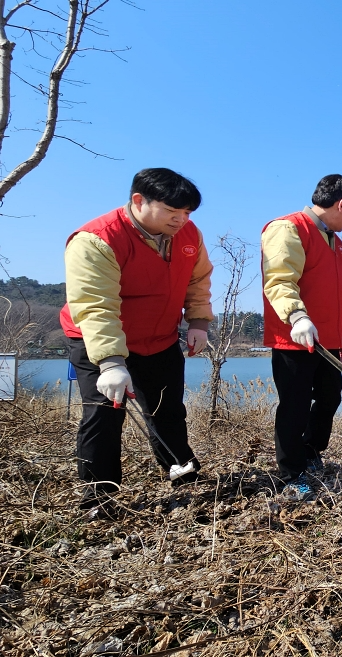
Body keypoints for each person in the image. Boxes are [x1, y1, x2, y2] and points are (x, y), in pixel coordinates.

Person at [60, 168, 213, 515]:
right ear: (138, 201)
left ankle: (180, 470)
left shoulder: (189, 234)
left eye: (187, 213)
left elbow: (198, 278)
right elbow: (95, 305)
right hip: (99, 339)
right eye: (172, 213)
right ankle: (100, 497)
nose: (181, 221)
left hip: (158, 337)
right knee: (104, 413)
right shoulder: (96, 239)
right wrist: (112, 362)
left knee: (167, 409)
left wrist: (199, 322)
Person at [261, 174, 342, 500]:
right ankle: (290, 474)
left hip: (327, 340)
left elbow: (335, 295)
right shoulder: (288, 228)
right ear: (341, 204)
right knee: (295, 405)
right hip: (295, 336)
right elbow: (279, 279)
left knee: (330, 396)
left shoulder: (336, 241)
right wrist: (297, 316)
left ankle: (310, 450)